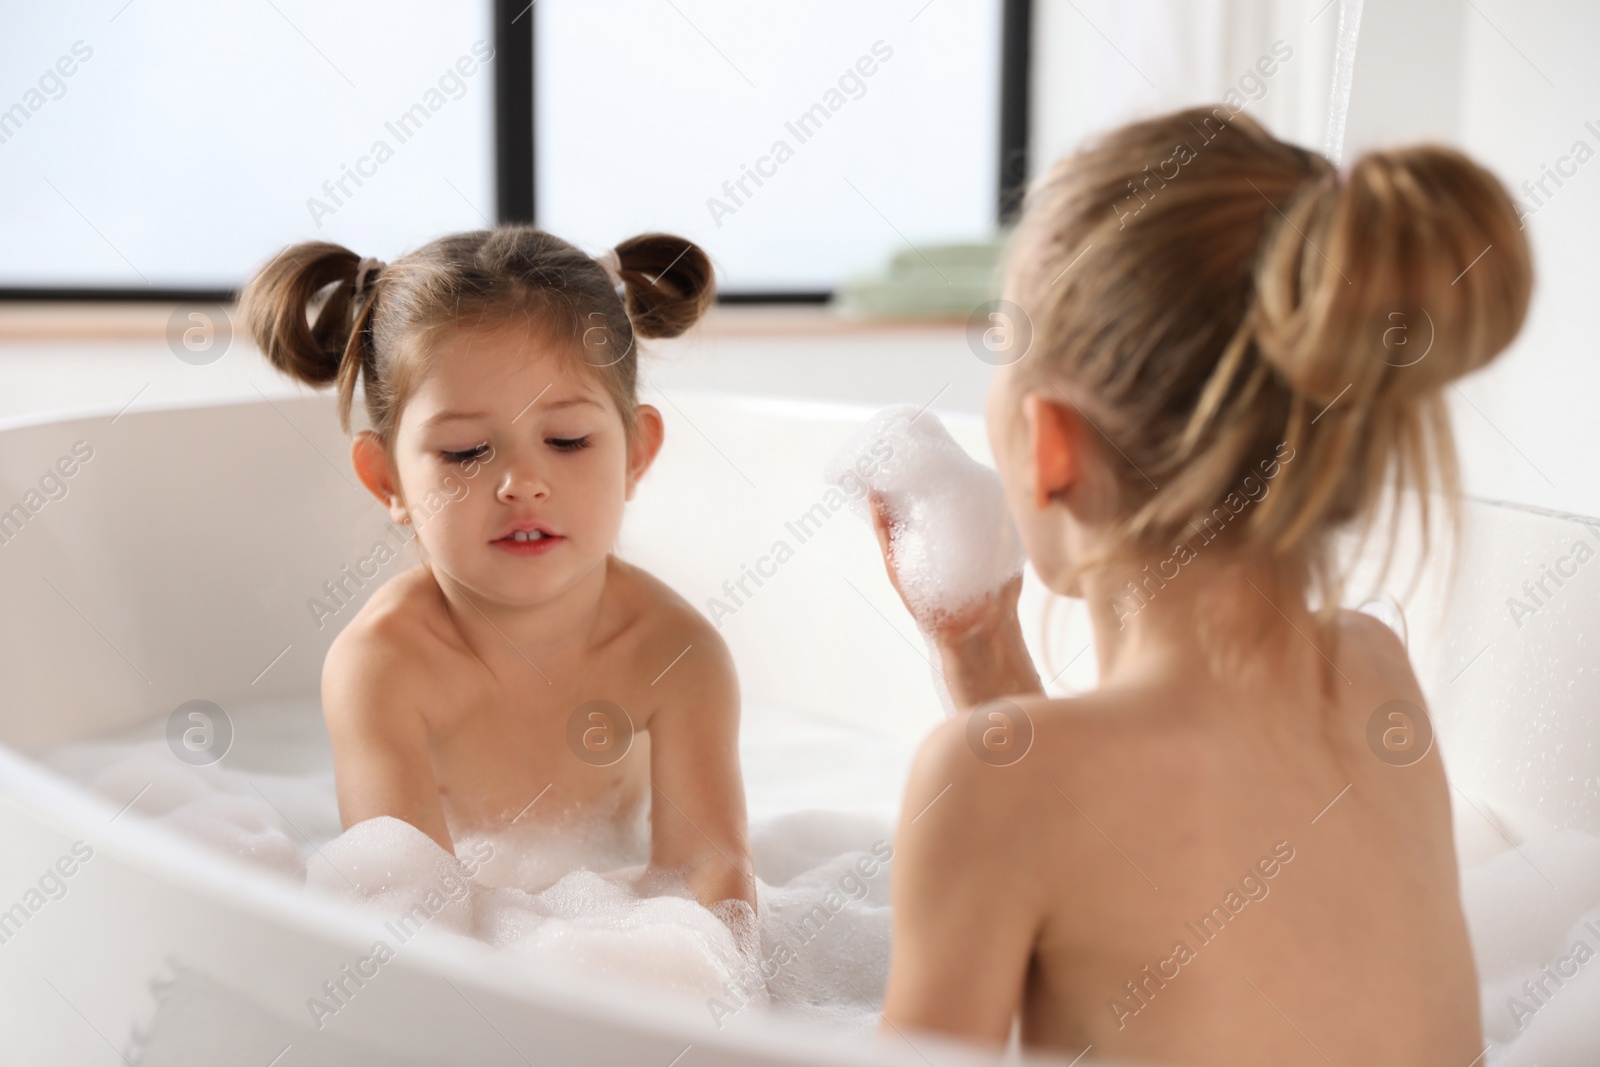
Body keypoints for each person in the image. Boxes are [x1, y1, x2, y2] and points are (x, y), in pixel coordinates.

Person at [876, 106, 1531, 1063]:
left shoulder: (986, 786)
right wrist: (981, 653)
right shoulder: (1373, 675)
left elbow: (1078, 821)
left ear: (1050, 444)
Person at [239, 228, 753, 912]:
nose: (522, 482)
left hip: (614, 932)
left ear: (635, 453)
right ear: (385, 478)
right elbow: (404, 912)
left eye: (567, 440)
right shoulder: (384, 665)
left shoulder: (675, 655)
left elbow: (711, 884)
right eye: (465, 450)